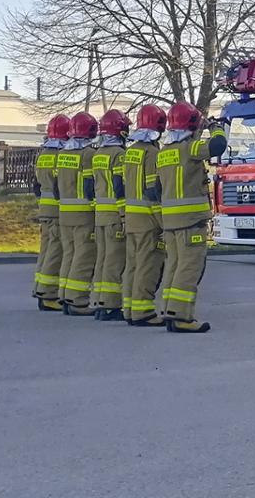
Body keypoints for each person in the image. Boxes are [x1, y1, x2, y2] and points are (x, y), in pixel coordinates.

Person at [155, 102, 227, 333]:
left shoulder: (164, 153)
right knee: (189, 267)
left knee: (174, 266)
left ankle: (168, 310)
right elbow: (218, 145)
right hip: (190, 220)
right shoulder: (190, 148)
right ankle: (181, 316)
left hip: (170, 221)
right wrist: (215, 127)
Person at [120, 105, 167, 326]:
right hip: (148, 220)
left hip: (131, 218)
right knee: (148, 265)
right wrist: (163, 223)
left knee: (132, 265)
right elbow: (152, 191)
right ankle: (143, 311)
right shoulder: (152, 153)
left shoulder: (130, 152)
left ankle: (129, 308)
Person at [88, 110, 131, 321]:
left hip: (100, 216)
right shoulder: (119, 155)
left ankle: (98, 301)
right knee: (114, 261)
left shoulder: (98, 155)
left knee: (102, 259)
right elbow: (119, 185)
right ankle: (111, 305)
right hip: (114, 215)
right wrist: (124, 215)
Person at [56, 112, 100, 316]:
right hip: (84, 213)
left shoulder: (63, 154)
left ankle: (64, 295)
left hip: (64, 213)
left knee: (69, 254)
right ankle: (77, 300)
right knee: (84, 257)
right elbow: (90, 185)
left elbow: (57, 188)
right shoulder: (89, 154)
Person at [32, 115, 70, 310]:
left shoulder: (43, 154)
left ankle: (40, 288)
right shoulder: (60, 156)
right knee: (56, 252)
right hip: (57, 211)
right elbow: (59, 186)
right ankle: (48, 294)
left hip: (44, 210)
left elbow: (36, 186)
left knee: (46, 250)